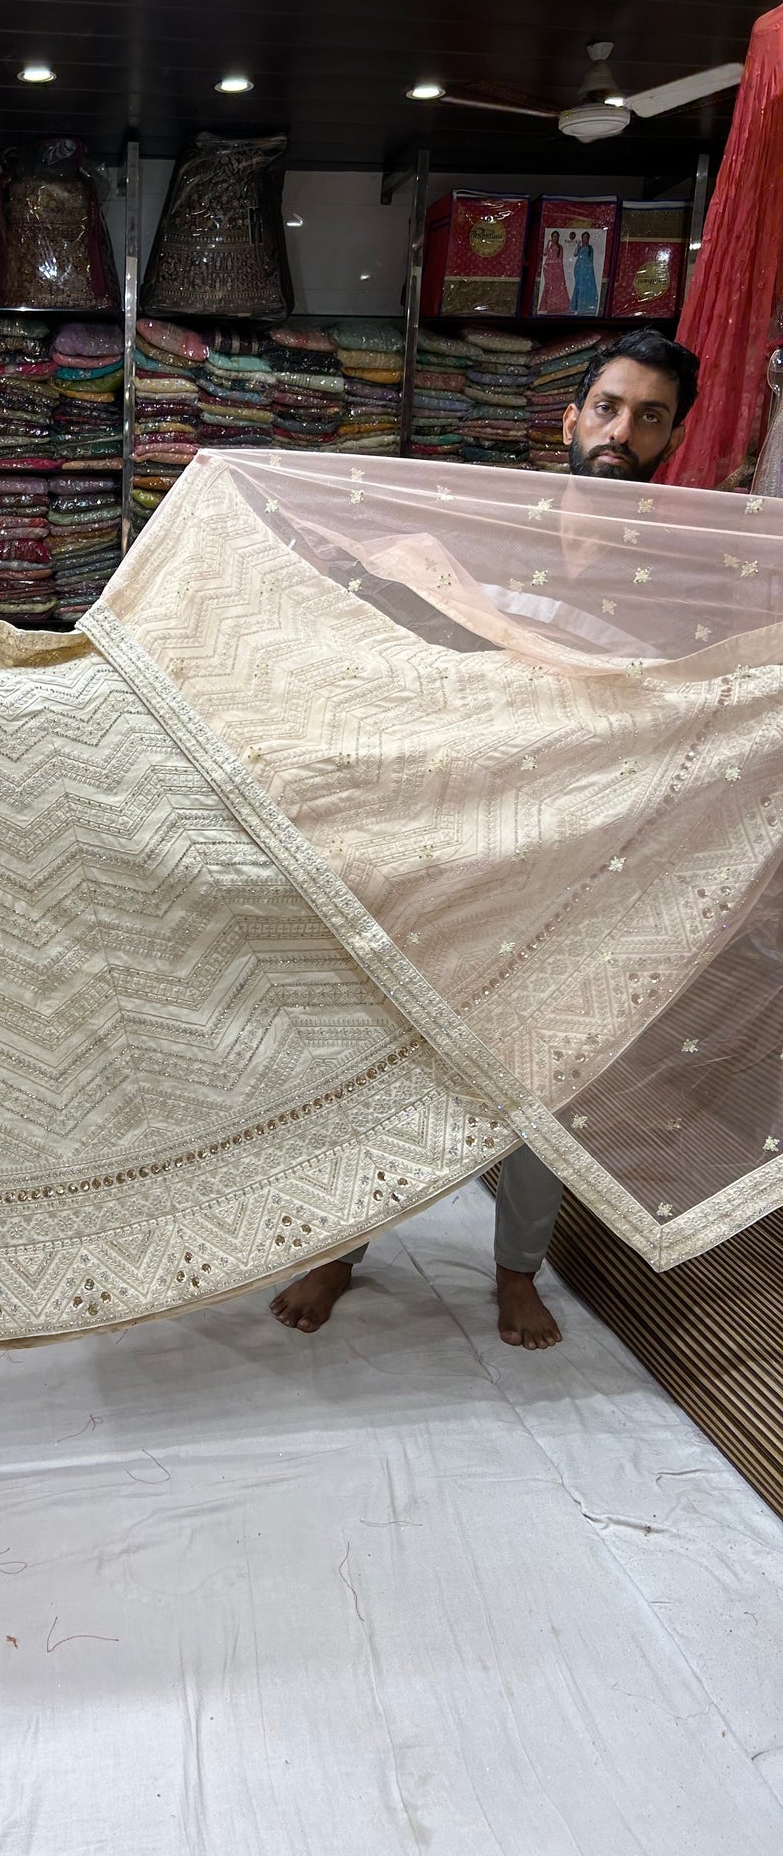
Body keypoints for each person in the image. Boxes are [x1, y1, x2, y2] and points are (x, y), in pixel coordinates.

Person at [272, 328, 702, 1349]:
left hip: (575, 867)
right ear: (567, 417)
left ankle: (516, 1271)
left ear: (671, 437)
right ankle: (341, 1245)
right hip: (449, 846)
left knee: (544, 1075)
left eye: (647, 417)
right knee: (388, 1054)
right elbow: (389, 641)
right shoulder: (482, 533)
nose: (620, 432)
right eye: (605, 406)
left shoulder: (678, 576)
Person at [570, 229, 599, 316]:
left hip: (587, 271)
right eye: (584, 237)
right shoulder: (580, 246)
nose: (585, 239)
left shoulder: (590, 248)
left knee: (587, 288)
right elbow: (575, 254)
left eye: (586, 237)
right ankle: (578, 307)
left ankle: (586, 308)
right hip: (579, 270)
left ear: (588, 239)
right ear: (582, 238)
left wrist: (589, 271)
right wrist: (578, 245)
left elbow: (591, 261)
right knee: (579, 287)